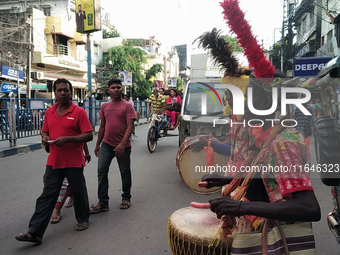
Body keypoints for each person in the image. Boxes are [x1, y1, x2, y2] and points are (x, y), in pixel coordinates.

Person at [15, 78, 93, 244]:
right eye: (59, 90)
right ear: (55, 93)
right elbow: (44, 131)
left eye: (66, 90)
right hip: (53, 161)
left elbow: (88, 135)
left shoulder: (79, 112)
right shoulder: (50, 112)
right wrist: (45, 138)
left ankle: (82, 219)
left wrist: (68, 139)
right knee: (46, 196)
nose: (63, 93)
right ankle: (34, 232)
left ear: (70, 92)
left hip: (73, 161)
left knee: (78, 192)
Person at [90, 78, 136, 213]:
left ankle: (126, 197)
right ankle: (103, 202)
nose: (116, 90)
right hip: (107, 144)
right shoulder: (105, 106)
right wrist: (98, 144)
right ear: (109, 90)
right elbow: (103, 126)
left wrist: (122, 143)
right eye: (113, 88)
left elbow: (130, 126)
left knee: (125, 172)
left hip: (124, 146)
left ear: (122, 89)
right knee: (101, 171)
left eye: (118, 87)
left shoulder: (127, 105)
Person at [50, 143, 91, 224]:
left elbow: (83, 139)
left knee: (66, 185)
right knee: (65, 184)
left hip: (73, 162)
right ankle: (71, 196)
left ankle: (57, 209)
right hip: (57, 160)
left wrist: (87, 153)